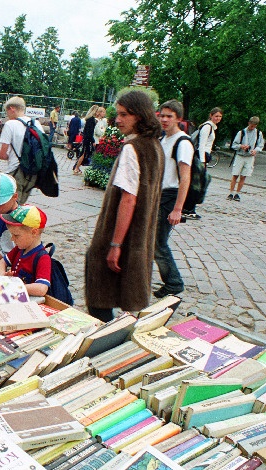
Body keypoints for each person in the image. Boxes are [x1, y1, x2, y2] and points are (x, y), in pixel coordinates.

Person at [84, 90, 164, 322]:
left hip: (122, 236)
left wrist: (115, 244)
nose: (117, 120)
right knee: (125, 295)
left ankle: (109, 341)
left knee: (100, 299)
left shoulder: (133, 149)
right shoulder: (155, 146)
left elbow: (129, 199)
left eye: (124, 115)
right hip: (140, 237)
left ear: (139, 116)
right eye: (117, 114)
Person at [154, 100, 192, 299]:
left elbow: (185, 177)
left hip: (170, 196)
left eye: (169, 116)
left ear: (178, 118)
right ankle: (171, 281)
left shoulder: (182, 142)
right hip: (159, 195)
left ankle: (174, 282)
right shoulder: (164, 139)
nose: (165, 119)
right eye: (162, 115)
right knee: (154, 241)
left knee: (158, 243)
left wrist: (178, 208)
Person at [0, 205, 51, 298]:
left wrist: (15, 287)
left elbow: (41, 288)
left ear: (34, 232)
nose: (12, 239)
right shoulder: (19, 249)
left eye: (16, 235)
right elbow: (1, 262)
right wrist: (3, 278)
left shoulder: (43, 258)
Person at [0, 96, 41, 204]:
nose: (7, 115)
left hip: (16, 170)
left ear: (12, 108)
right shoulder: (36, 123)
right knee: (20, 205)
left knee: (9, 206)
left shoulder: (10, 124)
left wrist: (5, 156)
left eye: (7, 111)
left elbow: (3, 154)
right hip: (33, 172)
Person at [183, 107, 222, 220]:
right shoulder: (207, 127)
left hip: (203, 156)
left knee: (197, 184)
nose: (218, 118)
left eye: (219, 116)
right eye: (216, 116)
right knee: (196, 185)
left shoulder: (211, 127)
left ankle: (189, 208)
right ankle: (189, 208)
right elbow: (202, 145)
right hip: (200, 157)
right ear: (211, 115)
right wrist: (202, 162)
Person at [228, 116, 264, 201]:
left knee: (244, 176)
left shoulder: (258, 133)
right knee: (235, 174)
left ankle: (237, 193)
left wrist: (256, 150)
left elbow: (260, 145)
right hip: (240, 155)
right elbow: (234, 145)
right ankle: (231, 192)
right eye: (251, 125)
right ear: (249, 123)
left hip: (250, 157)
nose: (252, 127)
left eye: (254, 126)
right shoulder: (241, 132)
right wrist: (241, 146)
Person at [73, 105, 99, 175]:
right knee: (83, 154)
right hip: (88, 139)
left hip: (86, 138)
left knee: (83, 154)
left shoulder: (89, 119)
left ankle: (77, 167)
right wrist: (93, 140)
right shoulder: (92, 120)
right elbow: (90, 132)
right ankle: (76, 167)